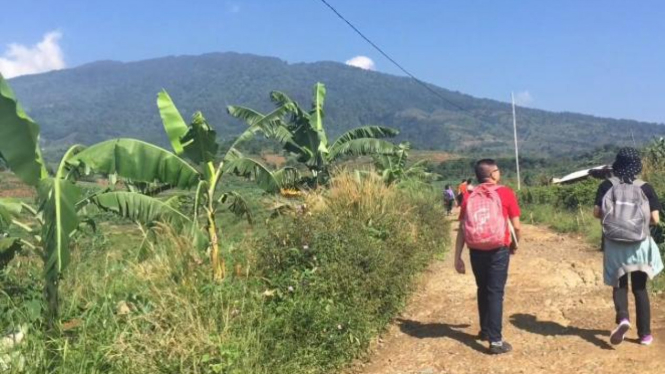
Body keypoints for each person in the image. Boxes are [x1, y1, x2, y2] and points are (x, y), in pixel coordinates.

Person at [593, 147, 663, 346]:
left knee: (619, 285)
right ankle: (645, 335)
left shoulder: (606, 185)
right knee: (640, 289)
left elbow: (597, 213)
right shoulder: (645, 187)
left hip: (615, 245)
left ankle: (623, 318)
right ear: (637, 165)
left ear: (618, 163)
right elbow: (655, 219)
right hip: (639, 244)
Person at [454, 159, 521, 354]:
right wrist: (515, 244)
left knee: (482, 289)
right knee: (495, 292)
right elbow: (516, 226)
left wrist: (457, 257)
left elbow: (461, 229)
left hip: (475, 249)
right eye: (498, 170)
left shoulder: (469, 196)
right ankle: (496, 341)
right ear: (493, 174)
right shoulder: (505, 192)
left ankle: (485, 331)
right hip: (498, 248)